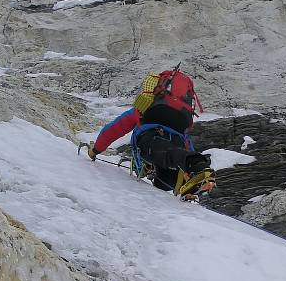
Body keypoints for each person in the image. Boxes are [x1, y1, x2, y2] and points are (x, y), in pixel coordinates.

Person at [87, 69, 215, 199]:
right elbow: (186, 143)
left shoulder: (143, 109)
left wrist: (96, 150)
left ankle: (196, 165)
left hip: (150, 140)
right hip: (176, 144)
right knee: (164, 179)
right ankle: (191, 182)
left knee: (166, 154)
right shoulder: (181, 117)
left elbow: (114, 129)